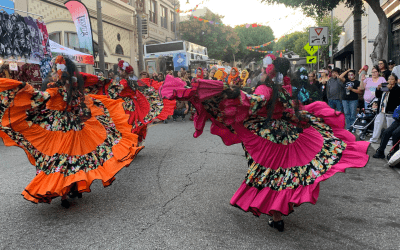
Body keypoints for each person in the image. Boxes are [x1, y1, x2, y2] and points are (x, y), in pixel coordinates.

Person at [160, 56, 369, 232]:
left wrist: (232, 94)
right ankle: (278, 214)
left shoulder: (265, 87)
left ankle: (276, 216)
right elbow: (290, 110)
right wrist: (303, 119)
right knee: (283, 173)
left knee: (268, 173)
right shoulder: (286, 87)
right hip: (286, 134)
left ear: (267, 69)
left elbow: (256, 101)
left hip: (266, 135)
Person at [0, 56, 143, 208]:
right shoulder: (74, 85)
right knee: (75, 159)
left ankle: (65, 193)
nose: (53, 72)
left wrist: (23, 89)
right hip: (75, 126)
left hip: (60, 127)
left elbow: (41, 98)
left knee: (61, 159)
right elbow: (82, 106)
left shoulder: (55, 87)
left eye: (55, 69)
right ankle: (73, 189)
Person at [369, 74, 400, 144]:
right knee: (377, 123)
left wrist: (390, 89)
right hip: (381, 109)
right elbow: (378, 95)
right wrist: (378, 88)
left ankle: (390, 140)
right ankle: (374, 138)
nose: (390, 80)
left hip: (391, 110)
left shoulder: (397, 88)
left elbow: (394, 98)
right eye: (389, 79)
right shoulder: (385, 86)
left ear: (395, 81)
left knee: (390, 126)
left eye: (392, 79)